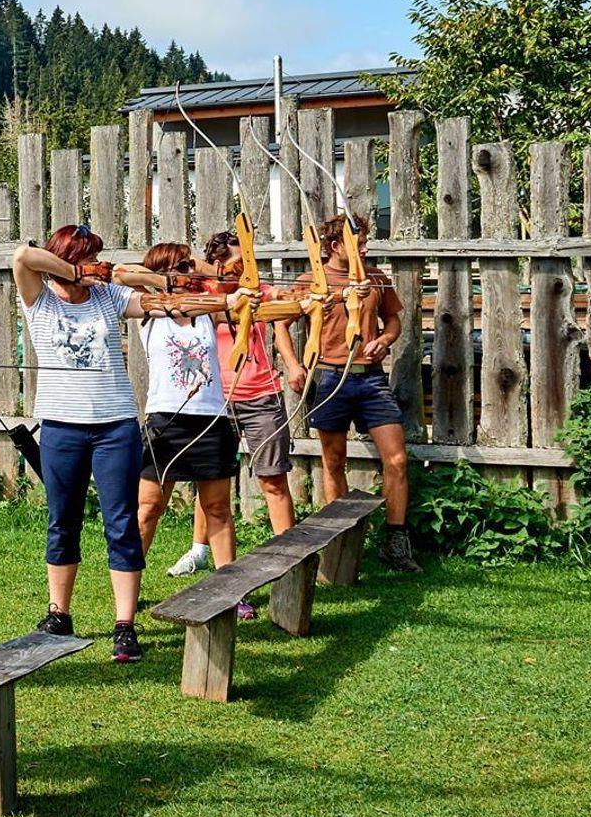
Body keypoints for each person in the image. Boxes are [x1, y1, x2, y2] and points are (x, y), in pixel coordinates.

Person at [10, 224, 165, 664]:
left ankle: (125, 625)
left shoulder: (108, 296)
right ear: (68, 261)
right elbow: (22, 256)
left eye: (96, 258)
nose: (96, 265)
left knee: (121, 523)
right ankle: (59, 614)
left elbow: (153, 303)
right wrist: (75, 273)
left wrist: (141, 279)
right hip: (62, 427)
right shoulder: (39, 300)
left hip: (115, 427)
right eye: (88, 258)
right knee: (63, 520)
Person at [165, 227, 309, 581]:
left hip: (261, 393)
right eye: (235, 263)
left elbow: (290, 299)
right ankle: (199, 551)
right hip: (215, 399)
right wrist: (218, 279)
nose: (243, 269)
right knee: (210, 481)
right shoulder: (199, 296)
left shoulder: (259, 290)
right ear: (216, 264)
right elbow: (167, 275)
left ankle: (290, 559)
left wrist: (313, 298)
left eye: (247, 262)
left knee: (273, 478)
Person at [128, 244, 249, 615]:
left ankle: (232, 592)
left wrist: (204, 272)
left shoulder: (209, 309)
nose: (188, 272)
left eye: (188, 266)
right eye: (179, 267)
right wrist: (166, 279)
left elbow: (241, 289)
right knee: (149, 508)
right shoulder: (149, 309)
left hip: (210, 419)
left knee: (218, 508)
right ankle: (128, 588)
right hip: (165, 421)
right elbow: (123, 274)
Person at [294, 212, 419, 571]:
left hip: (371, 379)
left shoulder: (375, 278)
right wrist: (292, 364)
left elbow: (393, 319)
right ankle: (341, 545)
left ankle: (395, 543)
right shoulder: (311, 281)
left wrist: (385, 340)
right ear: (336, 246)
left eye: (364, 242)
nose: (364, 249)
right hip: (329, 377)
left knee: (397, 459)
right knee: (334, 462)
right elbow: (281, 322)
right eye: (357, 244)